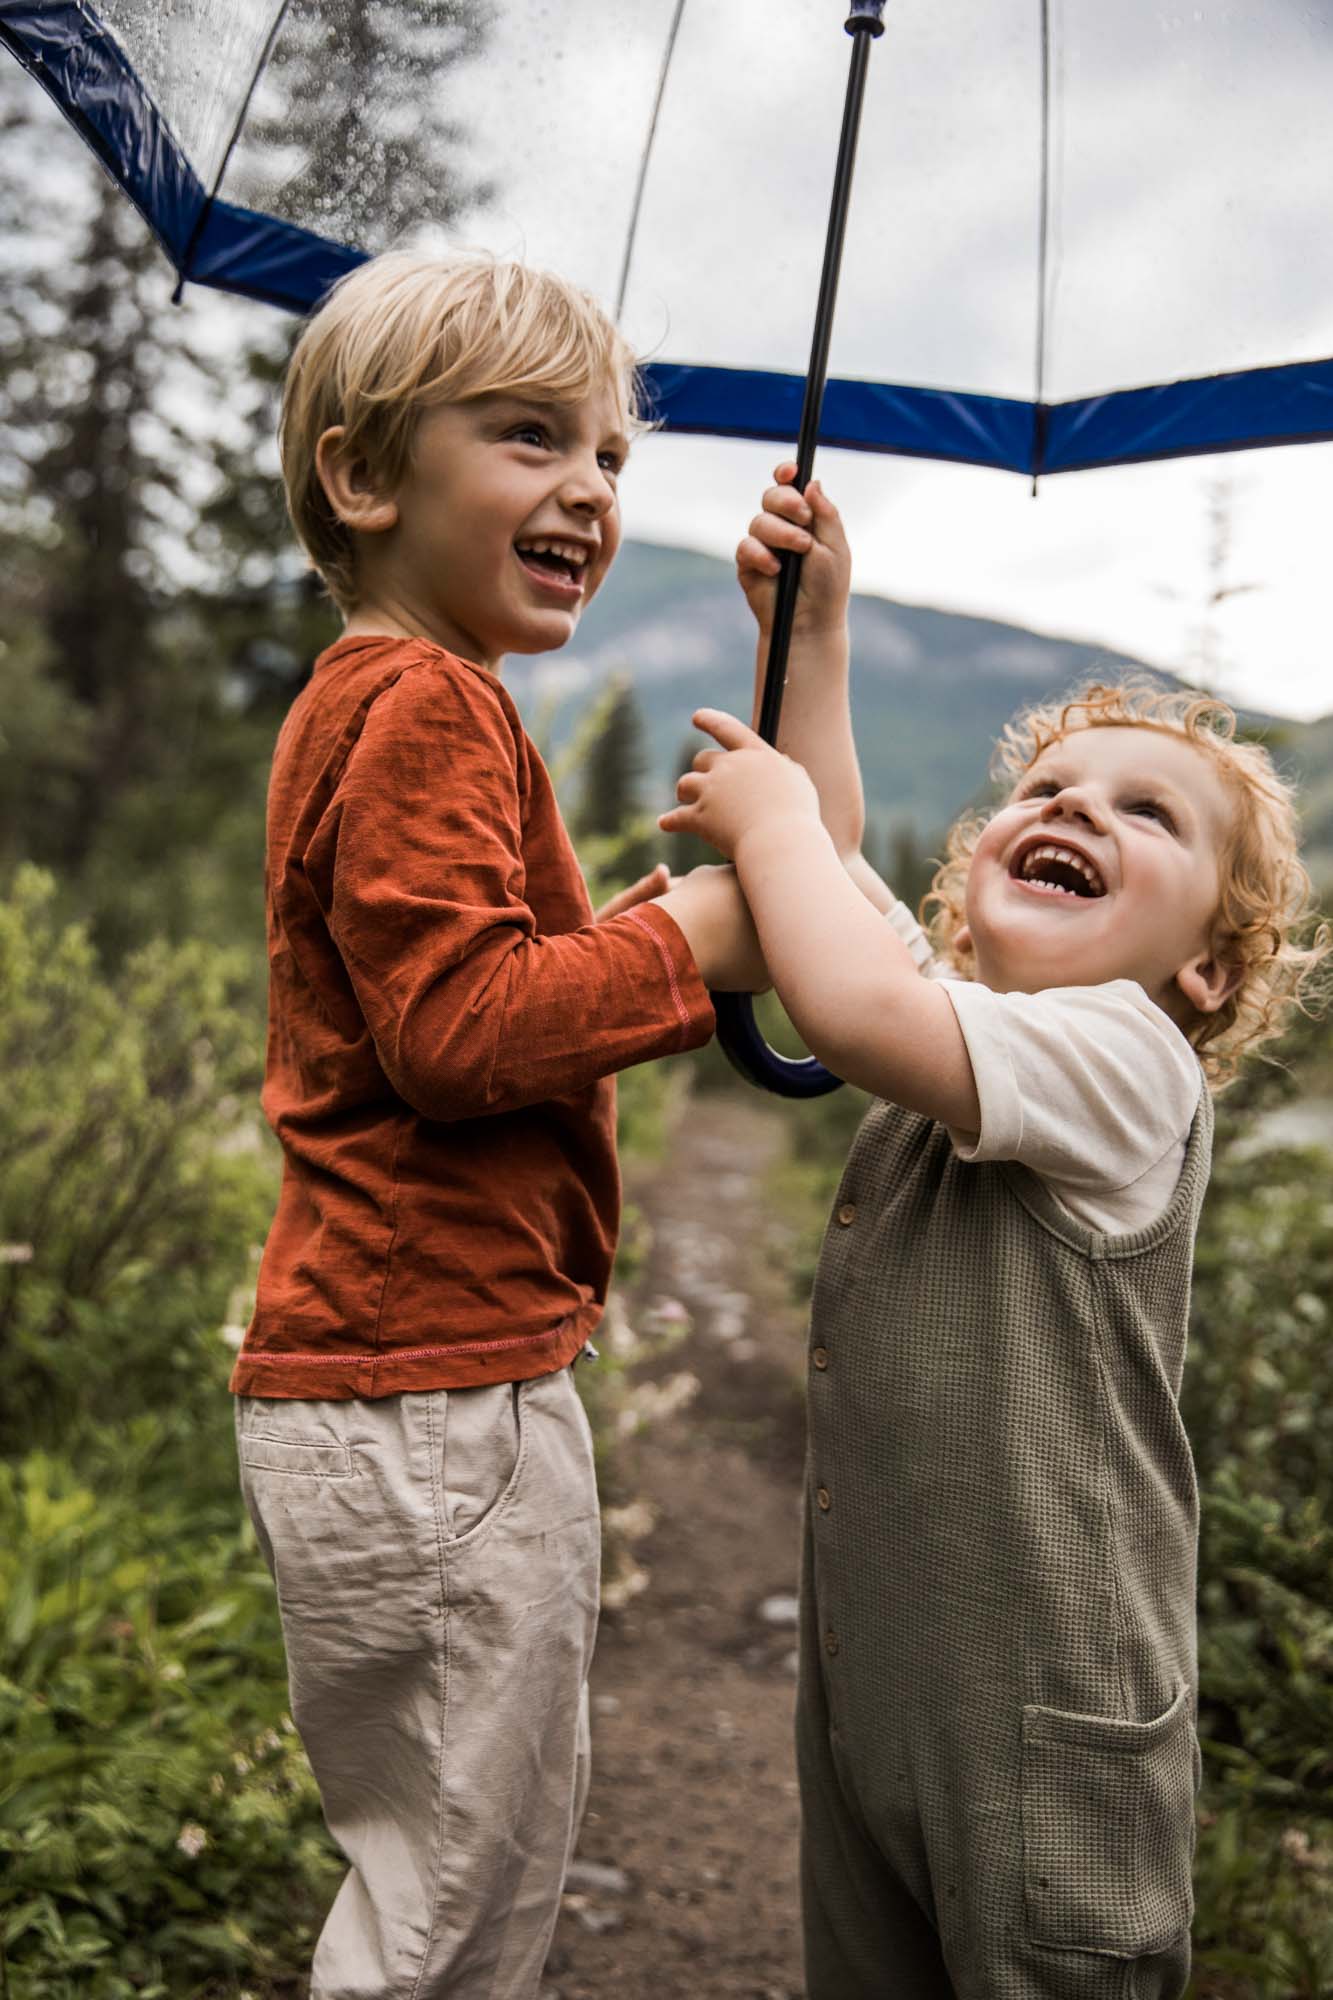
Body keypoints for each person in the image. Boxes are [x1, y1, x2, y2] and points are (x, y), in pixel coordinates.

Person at [661, 467, 1328, 2000]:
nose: (1072, 806)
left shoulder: (1120, 1062)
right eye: (1039, 793)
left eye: (1143, 813)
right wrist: (813, 639)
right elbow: (834, 882)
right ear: (977, 880)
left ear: (1207, 976)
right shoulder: (969, 1028)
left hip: (1045, 1727)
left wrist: (757, 816)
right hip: (875, 1692)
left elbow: (846, 989)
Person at [229, 250, 766, 2000]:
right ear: (366, 479)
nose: (591, 491)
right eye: (531, 437)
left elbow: (461, 975)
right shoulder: (426, 703)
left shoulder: (375, 696)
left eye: (610, 455)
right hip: (428, 1400)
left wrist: (646, 917)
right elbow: (463, 1032)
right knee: (457, 1910)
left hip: (406, 1387)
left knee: (458, 1867)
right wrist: (680, 943)